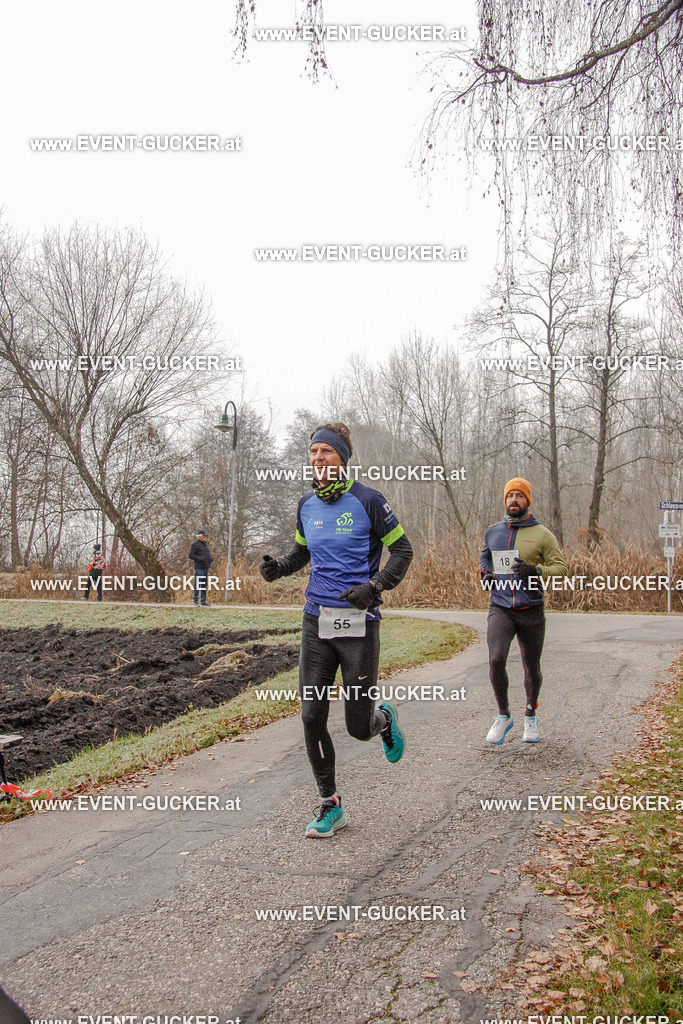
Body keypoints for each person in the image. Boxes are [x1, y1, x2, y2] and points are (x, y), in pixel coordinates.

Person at [259, 423, 413, 838]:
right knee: (311, 715)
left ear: (343, 458)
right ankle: (330, 804)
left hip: (358, 622)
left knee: (357, 727)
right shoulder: (306, 505)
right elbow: (301, 552)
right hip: (316, 620)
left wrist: (374, 586)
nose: (318, 459)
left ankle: (383, 721)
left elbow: (403, 551)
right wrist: (280, 569)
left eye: (327, 451)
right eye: (313, 452)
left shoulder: (369, 501)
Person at [480, 477, 568, 745]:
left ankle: (530, 716)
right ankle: (504, 715)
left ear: (527, 501)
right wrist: (485, 574)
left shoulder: (542, 534)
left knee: (531, 666)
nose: (514, 500)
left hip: (531, 608)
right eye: (510, 496)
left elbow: (561, 569)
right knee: (496, 659)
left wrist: (536, 570)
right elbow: (485, 556)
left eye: (519, 496)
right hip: (501, 606)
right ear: (505, 500)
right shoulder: (494, 530)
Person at [189, 529, 213, 606]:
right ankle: (195, 601)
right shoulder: (195, 545)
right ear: (200, 536)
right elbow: (191, 555)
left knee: (204, 584)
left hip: (206, 566)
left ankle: (203, 601)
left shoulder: (205, 544)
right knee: (197, 584)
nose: (205, 537)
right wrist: (200, 559)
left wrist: (210, 559)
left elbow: (207, 554)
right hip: (199, 567)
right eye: (204, 535)